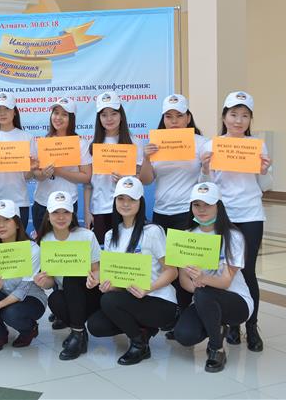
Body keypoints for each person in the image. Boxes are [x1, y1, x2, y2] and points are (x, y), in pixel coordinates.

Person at [199, 91, 271, 352]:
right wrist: (205, 169)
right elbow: (205, 188)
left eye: (244, 115)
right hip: (223, 217)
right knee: (220, 269)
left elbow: (266, 185)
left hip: (250, 214)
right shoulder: (212, 145)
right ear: (224, 117)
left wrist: (264, 171)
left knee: (247, 270)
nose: (238, 120)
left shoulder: (257, 146)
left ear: (250, 119)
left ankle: (252, 326)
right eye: (233, 114)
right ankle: (231, 324)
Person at [86, 176, 178, 365]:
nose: (126, 204)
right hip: (131, 298)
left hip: (158, 299)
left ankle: (139, 343)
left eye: (131, 199)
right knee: (96, 325)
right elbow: (116, 278)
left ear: (140, 202)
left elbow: (172, 271)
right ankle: (144, 330)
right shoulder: (111, 235)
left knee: (109, 301)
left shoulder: (152, 231)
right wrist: (106, 284)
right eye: (121, 198)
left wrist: (147, 288)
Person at [139, 93, 207, 334]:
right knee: (166, 264)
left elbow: (208, 180)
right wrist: (146, 158)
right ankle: (172, 314)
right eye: (169, 116)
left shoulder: (201, 143)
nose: (174, 121)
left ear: (188, 117)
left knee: (186, 266)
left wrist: (207, 165)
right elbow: (146, 180)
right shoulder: (155, 143)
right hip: (162, 211)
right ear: (163, 119)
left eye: (179, 115)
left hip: (187, 212)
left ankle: (187, 313)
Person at [174, 182, 254, 373]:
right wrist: (200, 292)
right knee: (184, 335)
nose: (201, 209)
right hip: (203, 298)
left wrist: (203, 280)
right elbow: (184, 281)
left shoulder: (233, 236)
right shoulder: (186, 236)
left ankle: (216, 348)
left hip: (236, 301)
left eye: (207, 205)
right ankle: (217, 326)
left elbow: (226, 282)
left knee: (205, 293)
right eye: (196, 205)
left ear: (219, 206)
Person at [33, 190, 101, 360]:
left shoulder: (86, 236)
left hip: (91, 293)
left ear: (72, 214)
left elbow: (97, 269)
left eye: (66, 212)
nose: (61, 217)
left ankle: (76, 334)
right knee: (55, 298)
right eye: (56, 212)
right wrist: (43, 282)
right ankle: (80, 333)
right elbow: (51, 281)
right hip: (70, 296)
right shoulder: (46, 240)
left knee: (71, 278)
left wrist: (95, 278)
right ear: (48, 216)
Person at [0, 199, 47, 352]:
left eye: (6, 220)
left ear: (17, 223)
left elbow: (23, 290)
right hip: (4, 293)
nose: (1, 225)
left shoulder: (32, 249)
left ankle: (29, 330)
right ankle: (0, 334)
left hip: (31, 297)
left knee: (12, 313)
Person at [83, 91, 144, 245]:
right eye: (104, 115)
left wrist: (126, 180)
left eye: (113, 113)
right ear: (99, 118)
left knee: (126, 251)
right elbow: (88, 184)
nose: (109, 119)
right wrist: (87, 212)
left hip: (127, 208)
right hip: (99, 210)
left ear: (121, 115)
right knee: (102, 253)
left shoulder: (134, 143)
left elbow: (140, 178)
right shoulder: (92, 145)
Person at [0, 92, 36, 235]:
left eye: (7, 109)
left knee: (17, 246)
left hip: (19, 202)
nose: (2, 113)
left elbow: (27, 177)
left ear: (14, 112)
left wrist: (31, 168)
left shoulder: (26, 137)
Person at [32, 97, 92, 232]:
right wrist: (43, 174)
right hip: (42, 203)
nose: (58, 118)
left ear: (72, 119)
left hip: (67, 204)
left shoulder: (80, 143)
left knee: (66, 244)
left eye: (64, 114)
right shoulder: (43, 142)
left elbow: (86, 177)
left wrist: (59, 172)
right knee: (43, 243)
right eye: (56, 113)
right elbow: (36, 175)